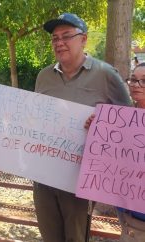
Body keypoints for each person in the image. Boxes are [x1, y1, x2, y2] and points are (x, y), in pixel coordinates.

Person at [33, 13, 131, 242]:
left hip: (81, 179)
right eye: (55, 38)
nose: (59, 42)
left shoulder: (106, 75)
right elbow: (35, 118)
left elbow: (128, 124)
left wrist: (104, 124)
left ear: (83, 39)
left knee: (76, 238)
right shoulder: (44, 76)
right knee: (49, 237)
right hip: (43, 175)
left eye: (66, 36)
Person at [85, 63, 145, 242]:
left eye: (143, 81)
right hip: (126, 214)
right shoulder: (123, 119)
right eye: (133, 80)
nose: (136, 84)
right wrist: (96, 131)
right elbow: (113, 156)